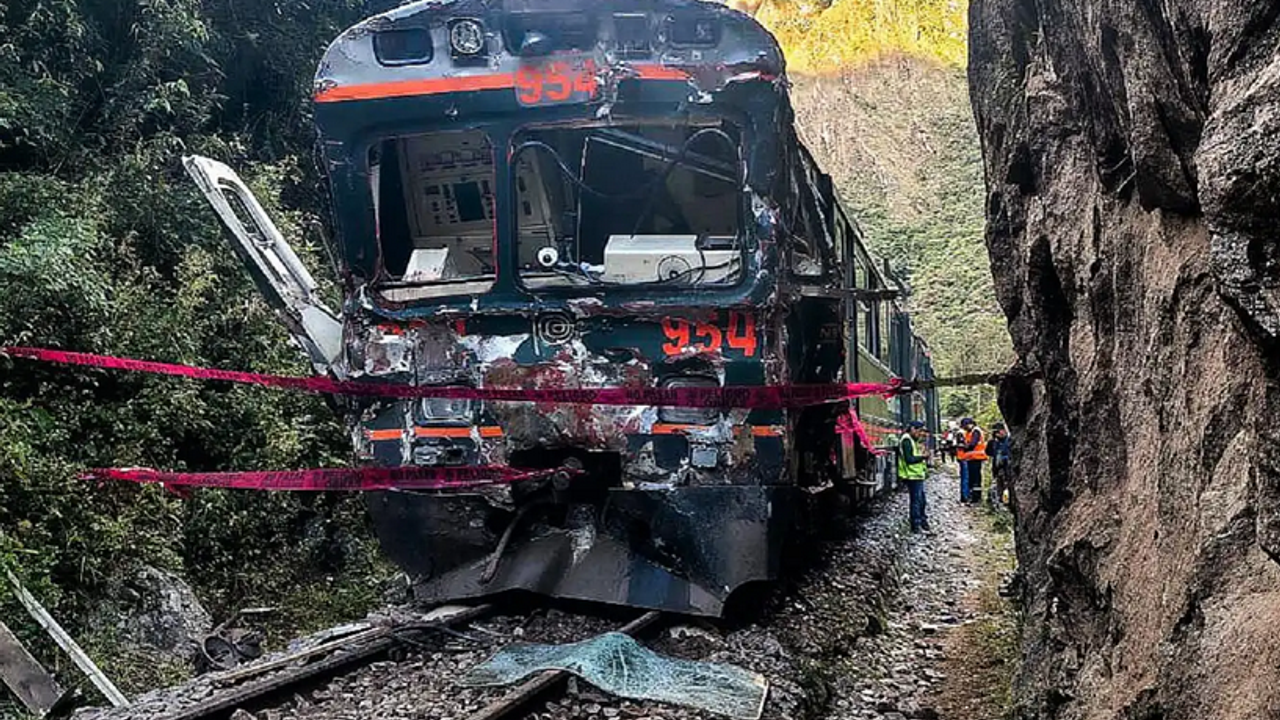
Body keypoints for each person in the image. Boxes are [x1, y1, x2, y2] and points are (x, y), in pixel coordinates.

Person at [898, 420, 931, 533]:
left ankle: (922, 521)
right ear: (912, 429)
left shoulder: (912, 440)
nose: (920, 434)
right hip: (911, 475)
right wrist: (923, 457)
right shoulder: (907, 440)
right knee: (916, 501)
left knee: (921, 500)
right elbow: (909, 459)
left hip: (916, 475)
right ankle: (916, 525)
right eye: (919, 431)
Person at [957, 417, 988, 504]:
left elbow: (972, 445)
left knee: (975, 479)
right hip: (971, 458)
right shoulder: (969, 432)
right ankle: (973, 496)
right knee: (973, 478)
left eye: (965, 426)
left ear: (970, 424)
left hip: (976, 457)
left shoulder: (976, 431)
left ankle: (976, 498)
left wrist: (964, 446)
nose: (964, 428)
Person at [989, 422, 1013, 506]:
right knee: (999, 485)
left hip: (1007, 468)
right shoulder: (995, 442)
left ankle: (1008, 503)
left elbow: (1012, 454)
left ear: (1003, 431)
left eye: (998, 432)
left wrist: (1004, 458)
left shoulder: (1009, 440)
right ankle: (1000, 502)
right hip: (997, 468)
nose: (997, 434)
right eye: (995, 433)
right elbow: (989, 452)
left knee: (1008, 486)